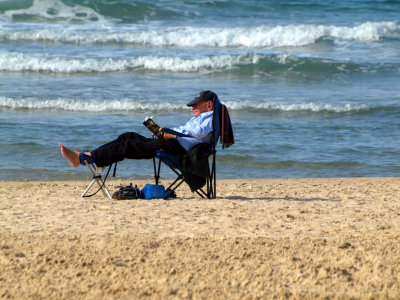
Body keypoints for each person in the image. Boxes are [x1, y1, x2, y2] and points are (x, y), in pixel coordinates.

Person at [59, 90, 216, 168]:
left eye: (196, 104)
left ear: (209, 104)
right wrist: (163, 132)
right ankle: (90, 156)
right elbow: (192, 131)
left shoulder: (212, 116)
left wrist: (172, 134)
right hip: (173, 142)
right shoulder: (201, 117)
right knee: (128, 136)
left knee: (128, 145)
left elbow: (197, 133)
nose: (192, 107)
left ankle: (84, 158)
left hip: (178, 148)